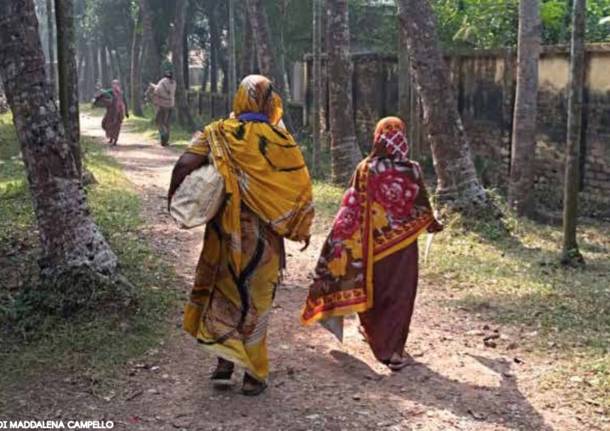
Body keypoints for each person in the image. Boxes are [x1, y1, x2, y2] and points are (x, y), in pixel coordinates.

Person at [169, 75, 314, 395]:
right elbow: (300, 186)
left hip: (224, 235)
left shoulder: (218, 132)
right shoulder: (281, 139)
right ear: (268, 101)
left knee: (224, 293)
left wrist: (174, 199)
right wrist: (299, 227)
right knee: (257, 302)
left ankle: (224, 363)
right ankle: (254, 374)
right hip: (265, 244)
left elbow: (184, 163)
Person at [301, 116, 443, 371]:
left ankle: (377, 339)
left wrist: (338, 240)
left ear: (378, 138)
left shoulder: (366, 168)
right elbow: (422, 207)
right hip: (404, 248)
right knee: (401, 296)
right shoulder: (413, 169)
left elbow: (352, 205)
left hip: (370, 249)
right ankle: (394, 351)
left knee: (372, 291)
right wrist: (432, 223)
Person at [95, 80, 128, 146]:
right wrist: (98, 95)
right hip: (110, 112)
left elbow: (125, 102)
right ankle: (111, 138)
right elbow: (103, 94)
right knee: (105, 124)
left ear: (118, 85)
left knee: (117, 126)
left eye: (116, 84)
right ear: (112, 85)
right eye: (113, 84)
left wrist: (126, 112)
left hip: (119, 112)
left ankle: (115, 140)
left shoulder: (121, 93)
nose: (115, 86)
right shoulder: (110, 91)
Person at [150, 70, 176, 146]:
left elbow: (157, 90)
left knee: (159, 121)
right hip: (171, 104)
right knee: (167, 123)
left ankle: (163, 137)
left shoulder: (162, 81)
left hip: (162, 105)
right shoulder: (174, 83)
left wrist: (153, 86)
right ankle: (167, 140)